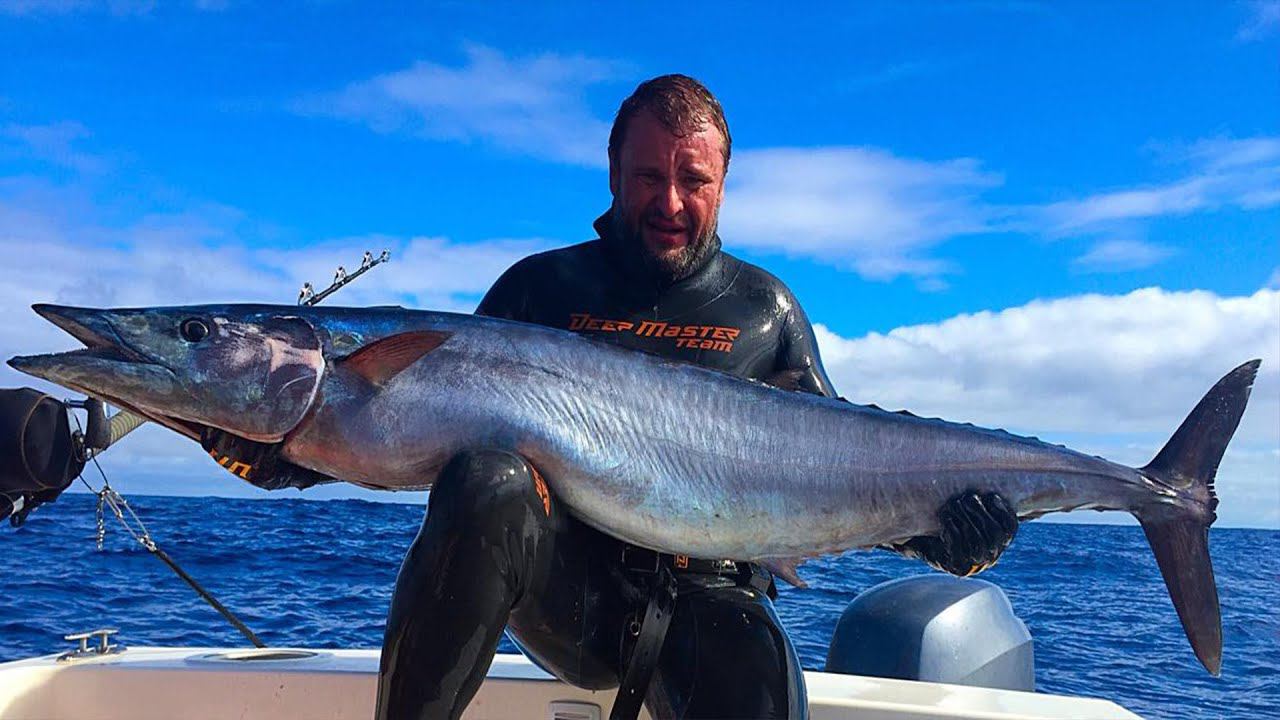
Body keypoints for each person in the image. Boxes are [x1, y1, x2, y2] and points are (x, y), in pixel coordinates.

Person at [203, 74, 1019, 720]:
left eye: (691, 181)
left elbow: (837, 470)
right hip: (570, 598)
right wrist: (281, 451)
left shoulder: (764, 309)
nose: (669, 202)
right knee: (488, 478)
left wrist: (939, 535)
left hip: (715, 599)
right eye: (648, 177)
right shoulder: (538, 290)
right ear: (614, 175)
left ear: (723, 185)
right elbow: (409, 424)